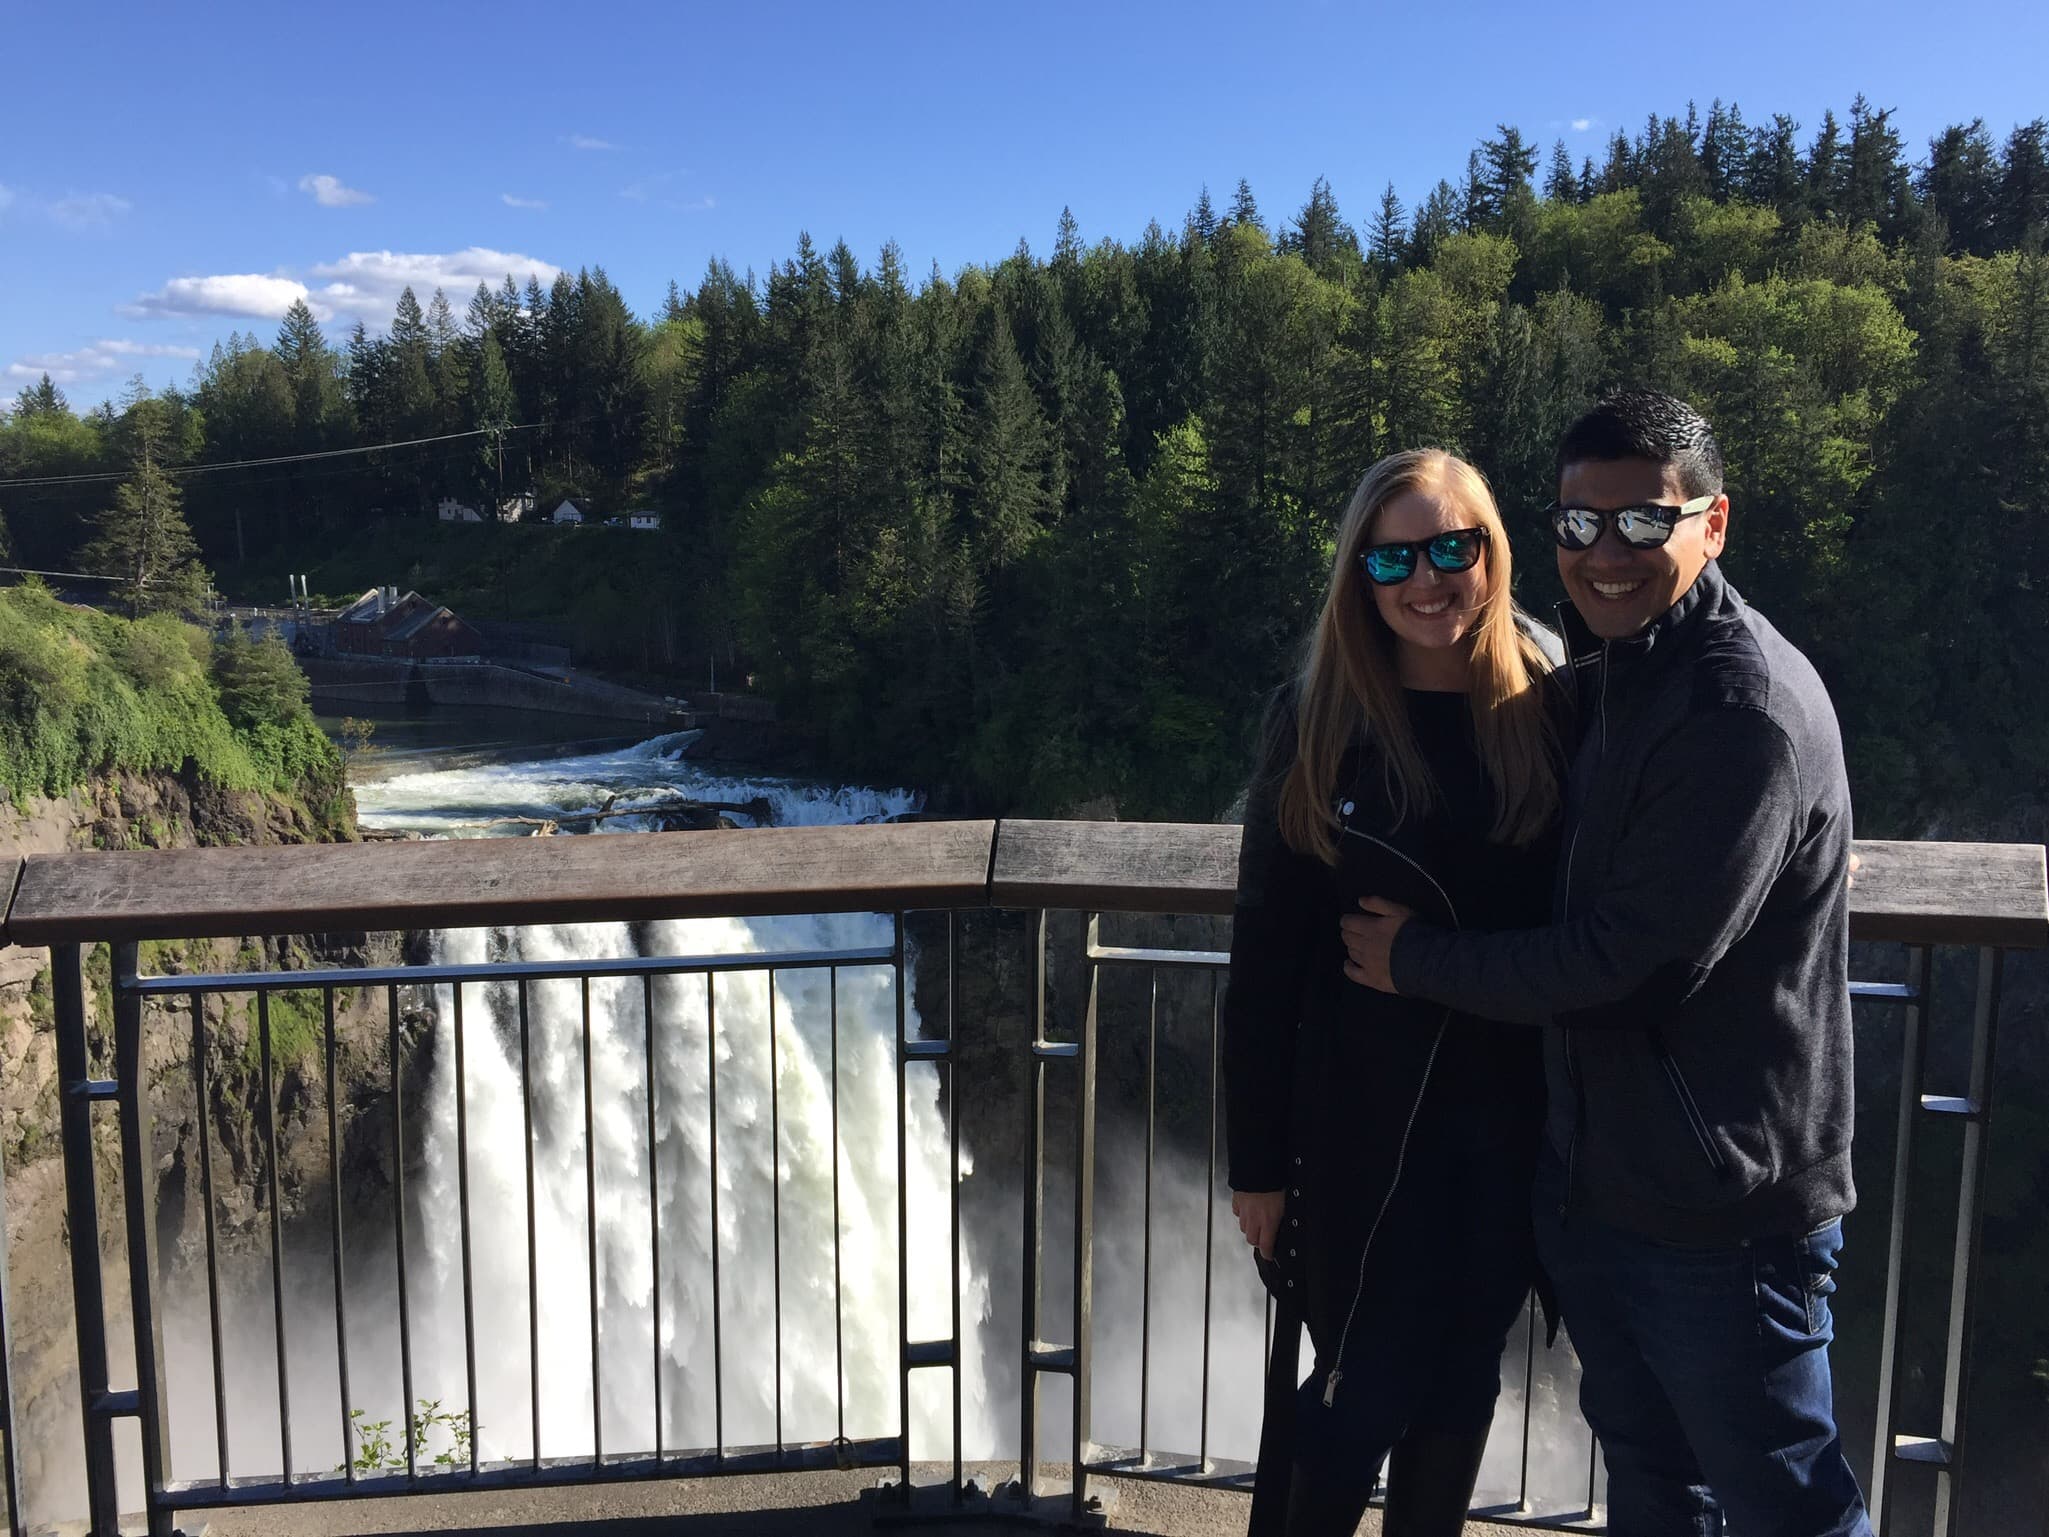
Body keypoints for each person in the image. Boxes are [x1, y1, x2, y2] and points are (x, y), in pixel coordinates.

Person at [1342, 391, 1869, 1537]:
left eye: (1644, 522)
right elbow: (1498, 741)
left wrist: (1417, 958)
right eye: (1580, 526)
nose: (1606, 553)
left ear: (1713, 524)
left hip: (1725, 1213)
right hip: (1609, 1188)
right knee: (1653, 1477)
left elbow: (1633, 967)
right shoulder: (1622, 677)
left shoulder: (1740, 713)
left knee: (1787, 1503)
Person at [1223, 448, 1566, 1536]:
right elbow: (1267, 955)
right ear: (1360, 574)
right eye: (1394, 556)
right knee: (1359, 1383)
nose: (1428, 579)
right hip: (1365, 1125)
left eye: (1451, 547)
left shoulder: (1552, 697)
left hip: (1514, 1123)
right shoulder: (1321, 717)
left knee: (1464, 1383)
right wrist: (1259, 1165)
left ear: (1490, 552)